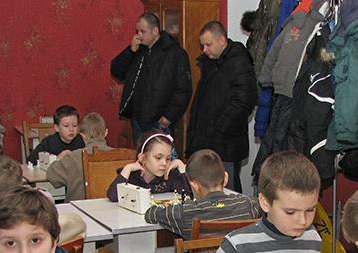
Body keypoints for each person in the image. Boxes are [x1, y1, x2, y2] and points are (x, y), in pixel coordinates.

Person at [191, 151, 334, 253]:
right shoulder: (238, 245)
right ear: (265, 203)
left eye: (310, 210)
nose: (303, 221)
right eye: (290, 212)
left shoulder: (312, 237)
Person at [187, 21, 257, 193]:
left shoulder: (239, 62)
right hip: (207, 142)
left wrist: (219, 130)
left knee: (228, 191)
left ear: (222, 41)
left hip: (227, 145)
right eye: (202, 45)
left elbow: (244, 102)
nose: (204, 50)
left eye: (208, 44)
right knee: (206, 192)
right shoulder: (211, 63)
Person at [111, 11, 192, 145]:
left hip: (159, 120)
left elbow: (183, 90)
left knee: (160, 155)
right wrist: (130, 52)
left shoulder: (175, 54)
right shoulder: (139, 50)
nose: (139, 35)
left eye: (143, 31)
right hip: (138, 119)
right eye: (137, 31)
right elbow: (117, 71)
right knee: (142, 155)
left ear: (155, 31)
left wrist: (169, 116)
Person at [145, 149, 261, 240]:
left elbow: (151, 214)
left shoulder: (185, 213)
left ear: (195, 185)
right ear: (225, 178)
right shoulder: (247, 204)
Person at [106, 130, 190, 202]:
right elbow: (113, 197)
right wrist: (127, 168)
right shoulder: (131, 177)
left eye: (168, 158)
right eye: (158, 157)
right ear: (142, 158)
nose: (164, 163)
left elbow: (189, 195)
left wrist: (182, 168)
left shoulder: (169, 176)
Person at [46, 112, 112, 202]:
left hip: (77, 208)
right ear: (106, 132)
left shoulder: (74, 157)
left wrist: (58, 159)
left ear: (82, 136)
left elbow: (52, 175)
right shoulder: (121, 155)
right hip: (109, 207)